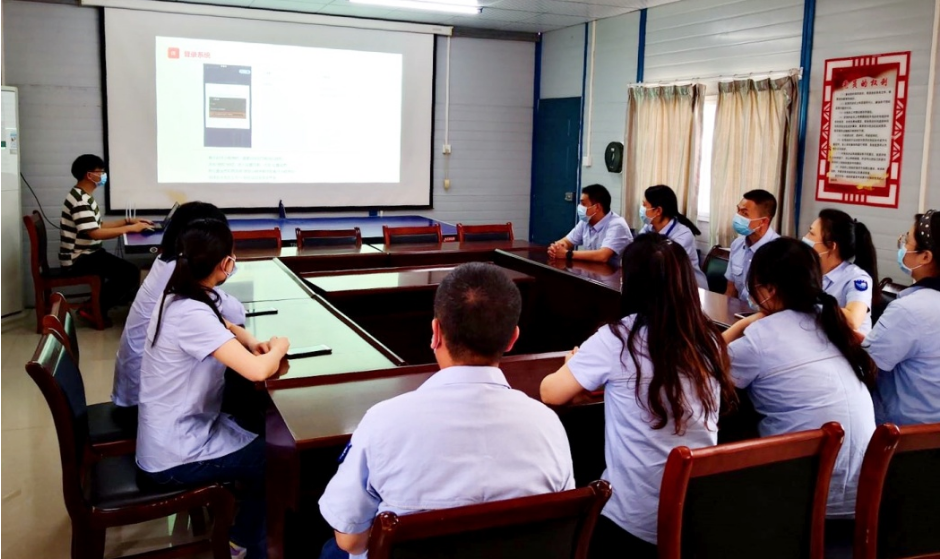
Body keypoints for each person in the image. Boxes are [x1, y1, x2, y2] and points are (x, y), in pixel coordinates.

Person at [318, 262, 574, 559]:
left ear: (436, 332)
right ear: (512, 339)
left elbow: (351, 540)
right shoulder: (547, 424)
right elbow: (559, 523)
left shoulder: (383, 422)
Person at [541, 234, 735, 559]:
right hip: (695, 516)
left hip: (629, 524)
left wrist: (571, 363)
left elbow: (550, 392)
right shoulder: (708, 341)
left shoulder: (618, 339)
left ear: (630, 283)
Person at [136, 219, 290, 559]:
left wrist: (250, 340)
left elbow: (225, 324)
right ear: (225, 264)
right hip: (174, 456)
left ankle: (250, 525)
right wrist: (279, 346)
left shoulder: (178, 296)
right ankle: (243, 541)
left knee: (255, 424)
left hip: (169, 434)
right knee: (276, 461)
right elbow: (258, 370)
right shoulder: (191, 313)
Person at [722, 238, 876, 520]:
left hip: (806, 502)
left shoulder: (762, 337)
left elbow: (703, 370)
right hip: (864, 494)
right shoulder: (830, 321)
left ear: (770, 289)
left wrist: (745, 322)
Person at [111, 203, 246, 413]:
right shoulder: (180, 273)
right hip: (144, 400)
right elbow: (236, 314)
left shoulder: (168, 261)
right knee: (240, 381)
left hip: (139, 385)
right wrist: (224, 268)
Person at [863, 210, 940, 425]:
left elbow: (866, 366)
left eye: (907, 240)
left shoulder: (909, 310)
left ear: (925, 257)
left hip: (902, 432)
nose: (903, 246)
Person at [59, 154, 153, 322]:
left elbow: (98, 225)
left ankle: (93, 305)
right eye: (100, 172)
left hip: (88, 254)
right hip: (79, 258)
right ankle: (94, 309)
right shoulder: (80, 200)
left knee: (126, 271)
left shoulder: (83, 195)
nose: (103, 175)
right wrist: (130, 229)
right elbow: (94, 233)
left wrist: (127, 222)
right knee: (130, 273)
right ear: (89, 175)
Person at [802, 209, 880, 334]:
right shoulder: (809, 270)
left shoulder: (857, 278)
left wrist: (810, 303)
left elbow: (853, 320)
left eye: (811, 234)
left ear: (831, 246)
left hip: (846, 345)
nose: (805, 238)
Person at [637, 185, 708, 289]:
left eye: (645, 205)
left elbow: (664, 264)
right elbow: (636, 252)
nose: (642, 209)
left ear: (658, 211)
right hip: (661, 283)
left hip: (689, 287)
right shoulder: (648, 227)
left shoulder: (683, 234)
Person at [547, 184, 633, 266]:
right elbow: (567, 241)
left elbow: (602, 256)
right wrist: (556, 247)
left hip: (614, 274)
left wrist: (567, 254)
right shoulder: (585, 222)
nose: (579, 207)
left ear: (597, 207)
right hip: (591, 272)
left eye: (583, 204)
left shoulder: (617, 225)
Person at [725, 189, 780, 303]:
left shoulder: (780, 251)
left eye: (744, 213)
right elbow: (730, 292)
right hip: (738, 311)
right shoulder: (737, 245)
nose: (738, 216)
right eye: (738, 210)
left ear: (763, 222)